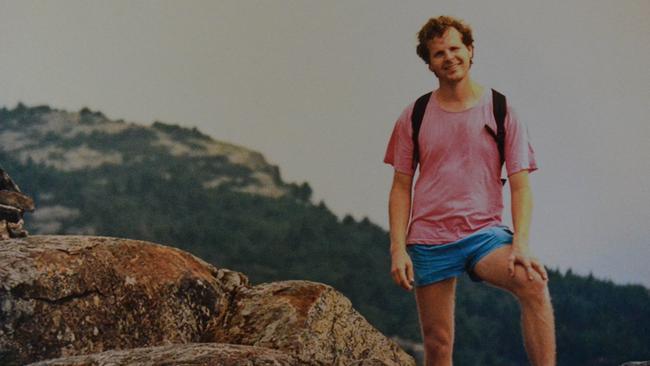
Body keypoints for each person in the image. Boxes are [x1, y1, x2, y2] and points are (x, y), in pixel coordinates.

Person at [383, 16, 556, 366]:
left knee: (533, 284)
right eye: (438, 53)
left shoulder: (501, 110)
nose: (449, 57)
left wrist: (520, 243)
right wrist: (397, 249)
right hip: (430, 238)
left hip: (484, 235)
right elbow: (401, 187)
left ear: (470, 50)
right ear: (429, 64)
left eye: (455, 48)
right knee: (438, 344)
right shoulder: (414, 115)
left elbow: (521, 186)